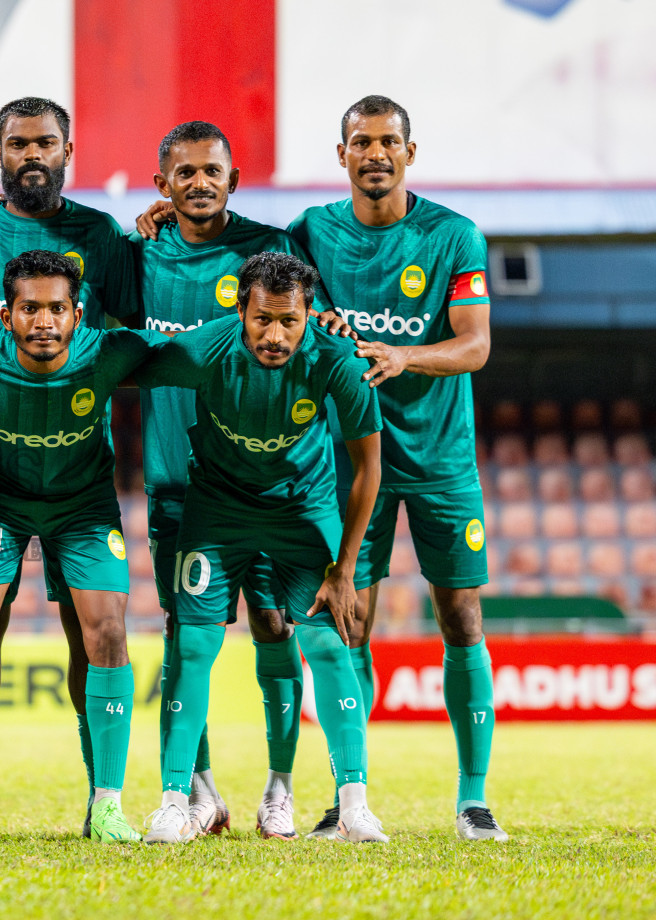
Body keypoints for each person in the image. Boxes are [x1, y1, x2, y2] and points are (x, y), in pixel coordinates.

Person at [288, 95, 504, 842]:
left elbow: (474, 346)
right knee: (350, 621)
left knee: (461, 617)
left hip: (441, 461)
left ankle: (473, 801)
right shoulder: (310, 233)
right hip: (350, 462)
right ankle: (350, 799)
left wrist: (405, 355)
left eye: (388, 141)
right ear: (341, 154)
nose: (374, 153)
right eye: (361, 142)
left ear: (411, 153)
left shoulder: (454, 235)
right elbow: (269, 293)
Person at [0, 96, 141, 836]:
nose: (31, 155)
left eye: (45, 142)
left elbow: (143, 337)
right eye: (17, 143)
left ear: (69, 148)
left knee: (103, 635)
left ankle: (105, 803)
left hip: (83, 489)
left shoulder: (103, 237)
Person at [139, 252, 388, 845]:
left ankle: (351, 804)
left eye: (290, 322)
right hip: (217, 513)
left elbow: (369, 466)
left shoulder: (339, 361)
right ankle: (176, 801)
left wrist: (345, 568)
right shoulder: (203, 348)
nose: (275, 336)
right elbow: (125, 361)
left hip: (301, 513)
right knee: (192, 645)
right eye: (262, 321)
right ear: (240, 311)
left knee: (328, 645)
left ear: (311, 316)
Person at [139, 120, 325, 839]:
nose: (198, 182)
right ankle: (198, 791)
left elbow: (314, 333)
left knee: (274, 623)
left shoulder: (271, 250)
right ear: (163, 185)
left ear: (233, 179)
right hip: (175, 482)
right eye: (182, 172)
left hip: (263, 485)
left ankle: (279, 789)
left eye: (211, 169)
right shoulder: (140, 253)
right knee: (184, 635)